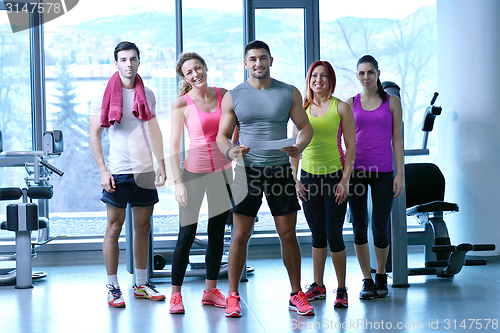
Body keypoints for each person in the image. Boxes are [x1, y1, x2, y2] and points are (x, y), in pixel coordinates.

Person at [217, 40, 315, 317]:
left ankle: (296, 294)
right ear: (245, 64)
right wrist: (232, 151)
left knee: (288, 234)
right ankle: (233, 295)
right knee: (240, 235)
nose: (258, 63)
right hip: (247, 171)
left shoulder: (288, 92)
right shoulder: (234, 95)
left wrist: (300, 146)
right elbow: (221, 136)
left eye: (262, 58)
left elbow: (305, 127)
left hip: (280, 171)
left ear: (271, 60)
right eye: (252, 59)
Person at [89, 41, 167, 308]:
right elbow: (95, 135)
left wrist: (162, 163)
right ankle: (112, 286)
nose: (128, 64)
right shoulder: (103, 94)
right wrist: (102, 170)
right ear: (116, 63)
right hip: (118, 171)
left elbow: (154, 131)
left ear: (138, 62)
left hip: (145, 171)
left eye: (133, 59)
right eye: (123, 60)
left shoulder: (149, 94)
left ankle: (141, 284)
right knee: (114, 228)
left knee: (143, 228)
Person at [168, 52, 233, 314]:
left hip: (223, 174)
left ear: (205, 67)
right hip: (192, 175)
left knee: (217, 234)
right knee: (187, 235)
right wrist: (177, 183)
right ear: (184, 78)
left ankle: (210, 291)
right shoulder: (181, 104)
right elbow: (173, 146)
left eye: (198, 68)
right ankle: (175, 295)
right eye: (189, 73)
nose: (196, 75)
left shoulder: (224, 94)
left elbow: (232, 130)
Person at [290, 61, 356, 309]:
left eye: (324, 76)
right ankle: (318, 285)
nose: (318, 80)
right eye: (314, 76)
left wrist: (345, 180)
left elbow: (351, 148)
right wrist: (295, 179)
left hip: (334, 178)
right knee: (317, 235)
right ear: (309, 80)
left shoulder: (341, 108)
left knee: (334, 235)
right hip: (308, 178)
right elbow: (294, 149)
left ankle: (341, 289)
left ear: (331, 80)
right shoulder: (301, 109)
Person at [346, 55, 404, 300]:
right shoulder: (351, 103)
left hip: (383, 172)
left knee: (380, 227)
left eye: (370, 72)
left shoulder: (392, 102)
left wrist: (400, 173)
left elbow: (397, 139)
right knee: (360, 227)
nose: (366, 77)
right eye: (361, 73)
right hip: (357, 172)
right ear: (357, 76)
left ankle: (381, 274)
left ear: (378, 73)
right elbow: (345, 140)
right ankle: (367, 279)